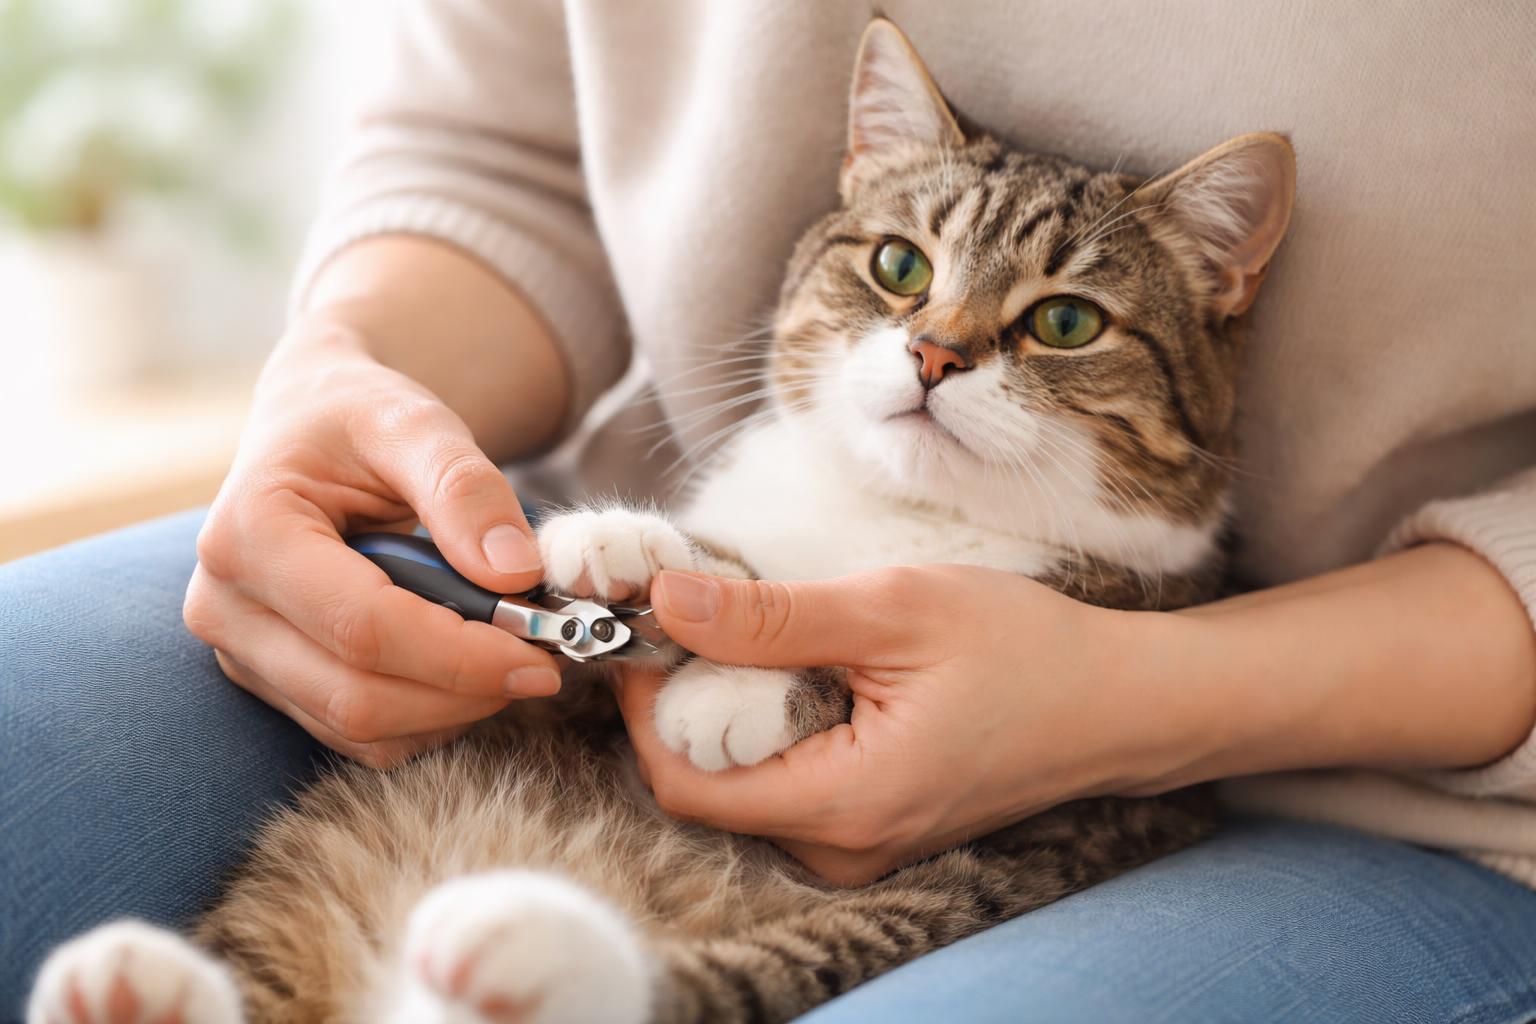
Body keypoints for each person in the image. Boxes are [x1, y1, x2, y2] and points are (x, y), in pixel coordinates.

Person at [4, 2, 1535, 1019]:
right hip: (582, 529)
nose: (944, 349)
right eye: (900, 275)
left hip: (1381, 783)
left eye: (1057, 325)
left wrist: (1164, 691)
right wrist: (338, 373)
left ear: (1215, 304)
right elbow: (492, 148)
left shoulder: (1116, 556)